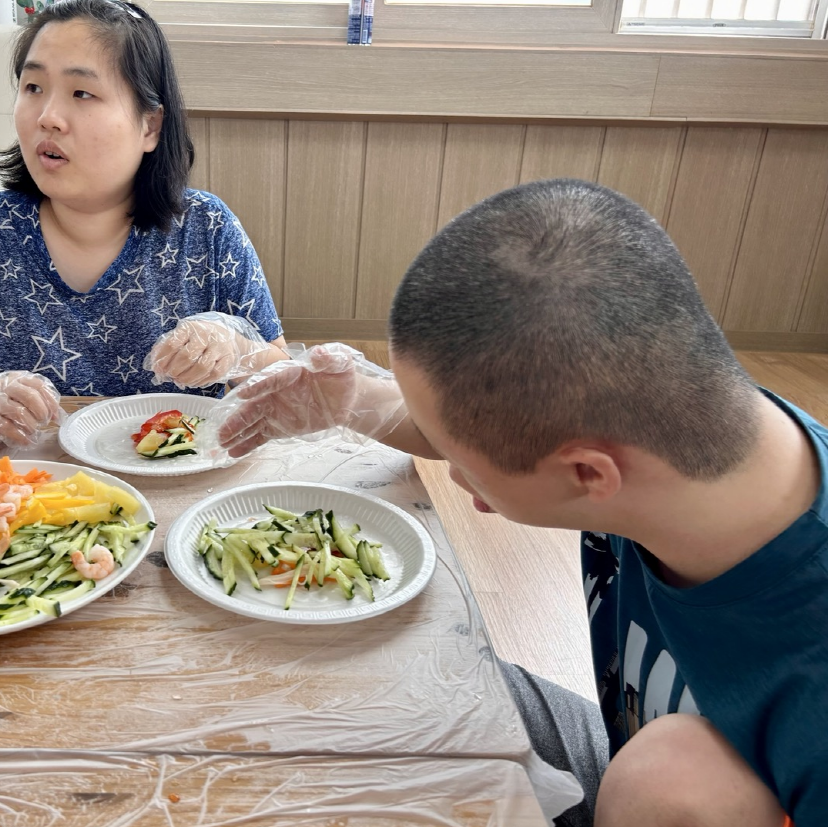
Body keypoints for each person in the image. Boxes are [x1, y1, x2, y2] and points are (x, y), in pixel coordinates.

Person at [212, 179, 825, 827]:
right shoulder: (679, 413)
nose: (462, 481)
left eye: (461, 463)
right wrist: (354, 400)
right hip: (623, 746)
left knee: (677, 777)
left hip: (673, 794)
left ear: (589, 471)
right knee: (377, 668)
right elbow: (487, 426)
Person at [0, 0, 287, 448]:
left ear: (150, 126)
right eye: (33, 86)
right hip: (34, 490)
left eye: (81, 93)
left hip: (182, 487)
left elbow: (280, 375)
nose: (46, 117)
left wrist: (238, 350)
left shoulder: (206, 229)